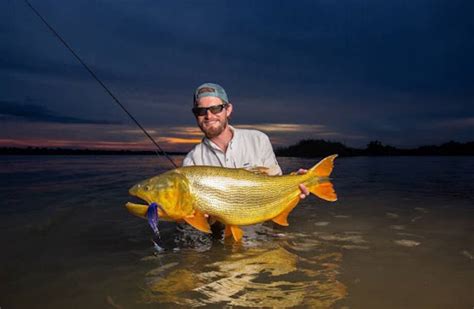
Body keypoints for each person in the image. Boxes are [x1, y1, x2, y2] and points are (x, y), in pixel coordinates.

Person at [182, 82, 309, 198]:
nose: (209, 116)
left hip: (261, 218)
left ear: (228, 110)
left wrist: (294, 183)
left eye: (216, 108)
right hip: (217, 222)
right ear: (195, 115)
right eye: (201, 111)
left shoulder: (258, 140)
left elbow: (276, 183)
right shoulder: (192, 161)